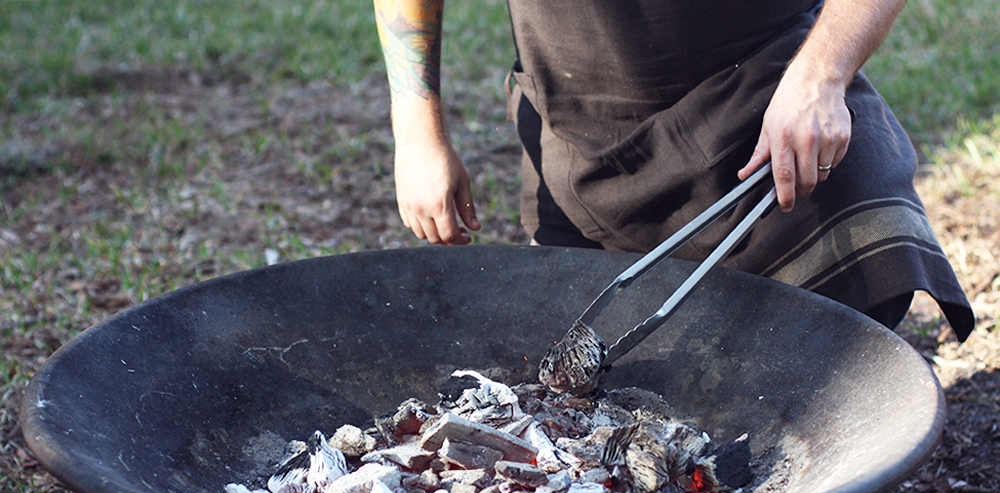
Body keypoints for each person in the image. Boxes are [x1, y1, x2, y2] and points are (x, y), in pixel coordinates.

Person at [372, 0, 974, 340]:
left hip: (769, 100)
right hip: (584, 147)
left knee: (865, 284)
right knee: (588, 377)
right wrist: (417, 129)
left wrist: (822, 75)